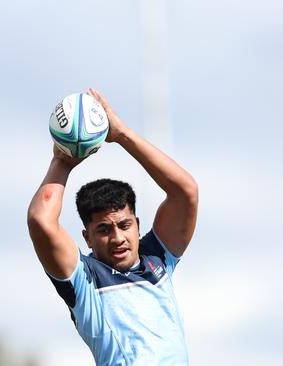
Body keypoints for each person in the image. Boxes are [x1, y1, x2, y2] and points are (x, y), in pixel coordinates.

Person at [27, 88, 198, 365]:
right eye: (104, 230)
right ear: (88, 238)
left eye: (124, 225)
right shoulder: (85, 280)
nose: (118, 237)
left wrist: (122, 135)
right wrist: (61, 162)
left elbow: (185, 191)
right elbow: (41, 221)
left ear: (137, 225)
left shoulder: (158, 258)